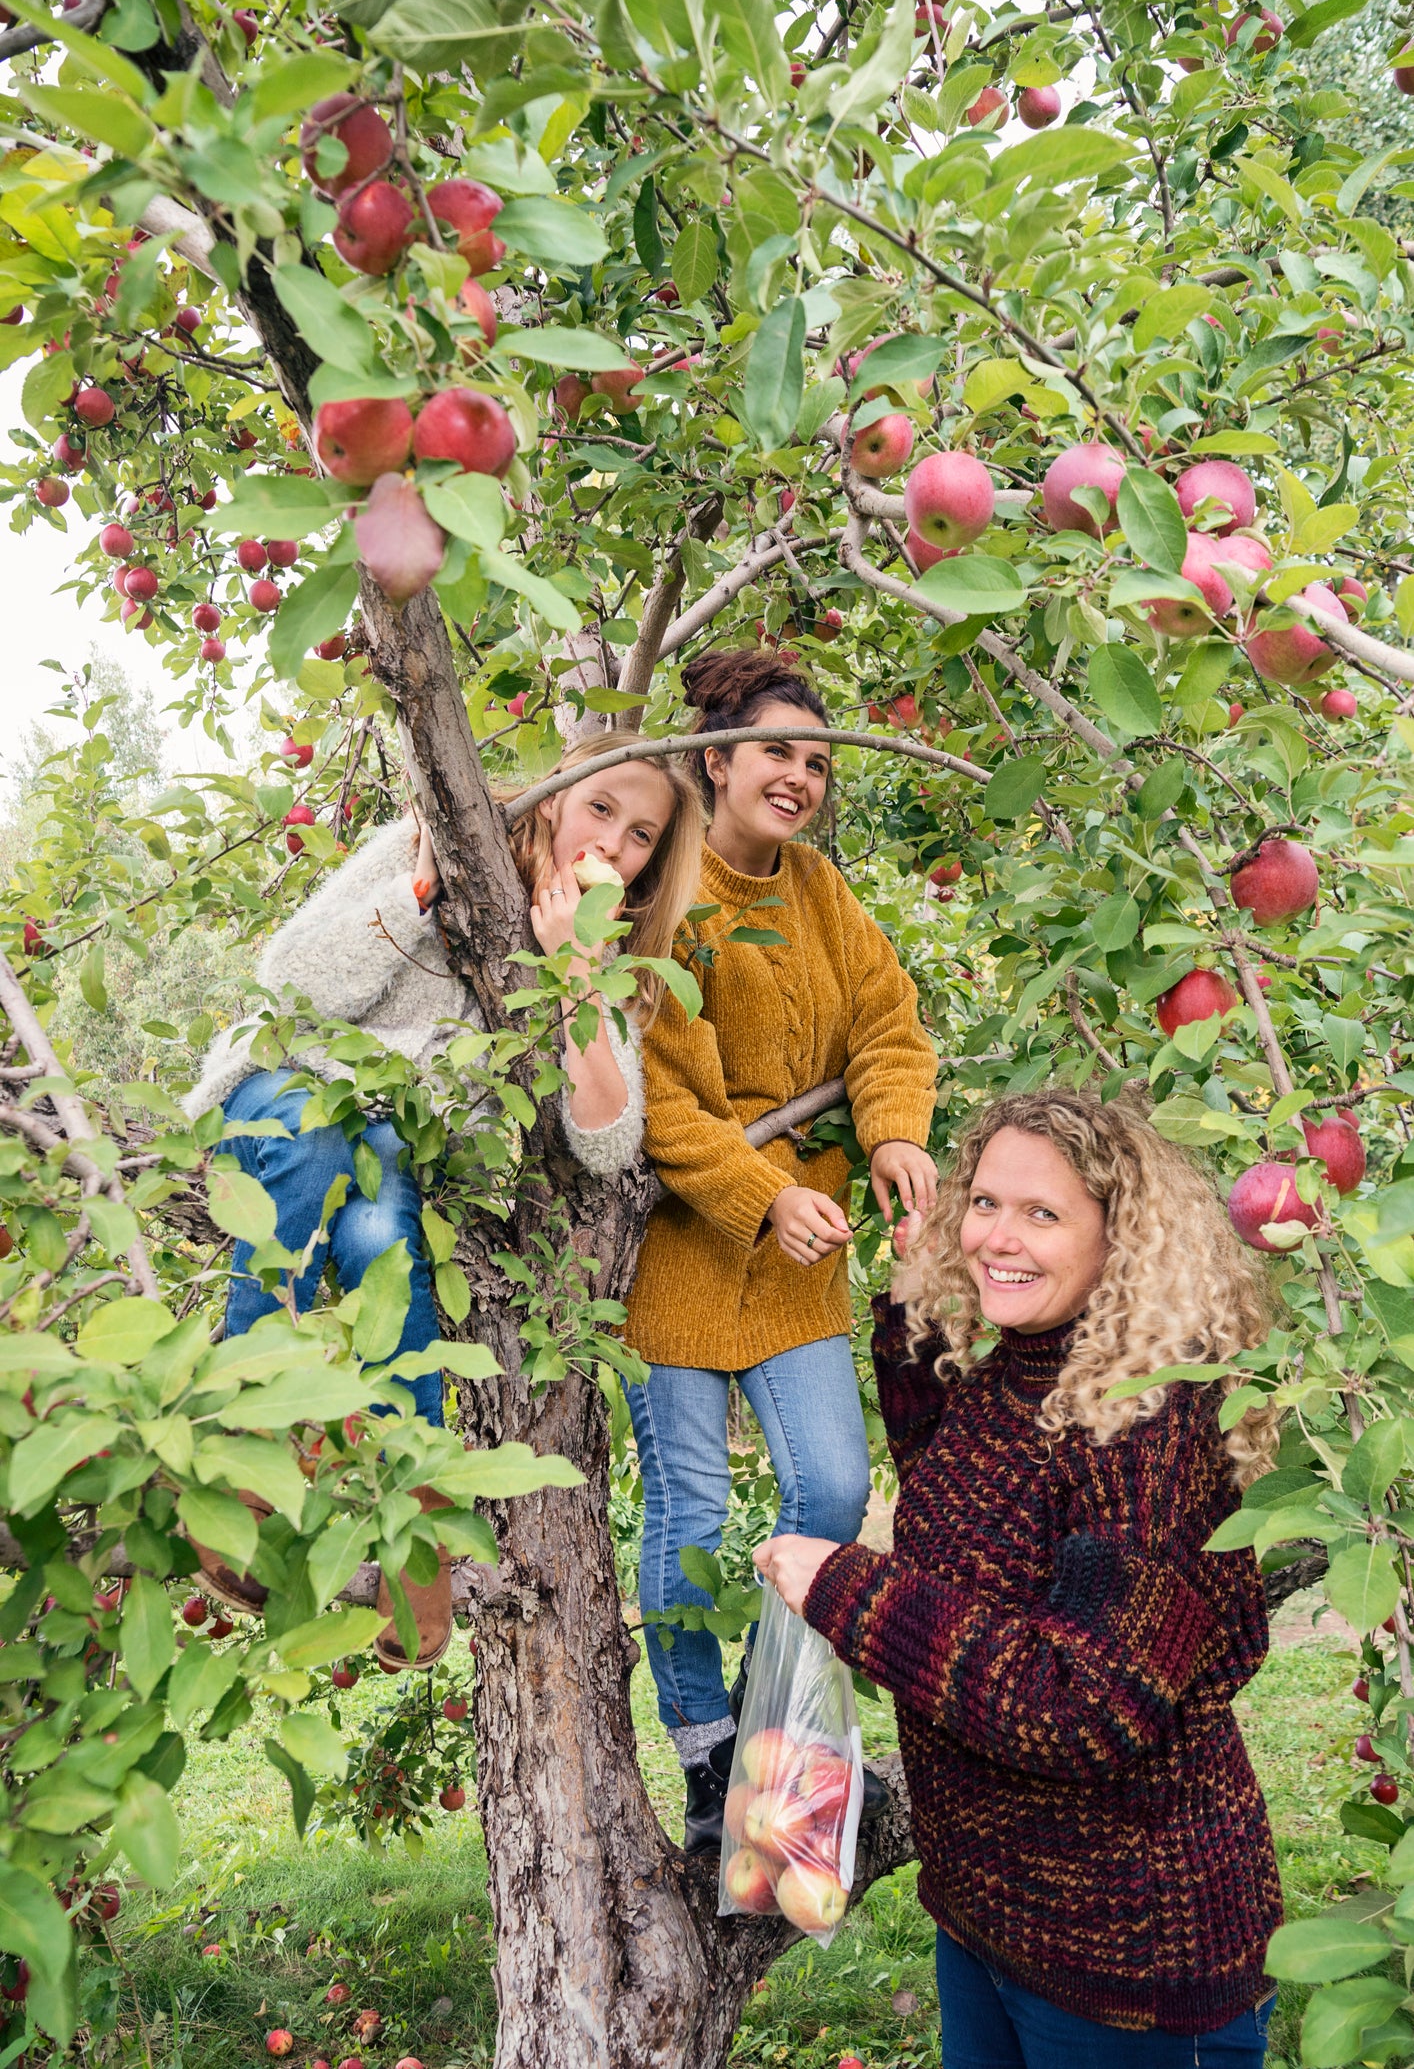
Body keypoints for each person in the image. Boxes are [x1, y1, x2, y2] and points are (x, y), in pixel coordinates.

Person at [756, 1088, 1282, 2069]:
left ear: (1118, 1237)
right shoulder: (1023, 1371)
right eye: (985, 1202)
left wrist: (849, 1590)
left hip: (1128, 1960)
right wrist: (917, 1301)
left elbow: (1083, 1705)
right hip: (991, 1919)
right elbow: (967, 1503)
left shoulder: (1150, 1427)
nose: (999, 1234)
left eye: (1042, 1213)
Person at [184, 737, 704, 1665]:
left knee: (387, 1225)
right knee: (312, 1141)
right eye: (599, 811)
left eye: (640, 837)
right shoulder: (421, 845)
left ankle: (409, 1515)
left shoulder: (593, 951)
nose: (615, 845)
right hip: (289, 1084)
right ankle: (246, 1426)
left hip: (395, 1139)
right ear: (551, 797)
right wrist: (414, 899)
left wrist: (575, 972)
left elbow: (607, 1140)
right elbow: (288, 980)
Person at [623, 645, 939, 1849]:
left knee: (831, 1488)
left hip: (801, 1247)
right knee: (691, 1513)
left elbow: (886, 1025)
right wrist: (758, 1193)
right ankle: (708, 1761)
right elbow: (658, 1102)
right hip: (683, 1253)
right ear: (714, 759)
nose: (799, 778)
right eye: (776, 754)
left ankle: (775, 1735)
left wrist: (894, 1133)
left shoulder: (813, 887)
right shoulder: (663, 893)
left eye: (815, 762)